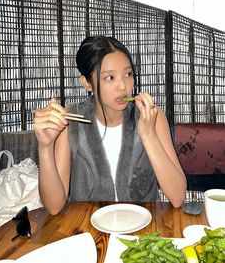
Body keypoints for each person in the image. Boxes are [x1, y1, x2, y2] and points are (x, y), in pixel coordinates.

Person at [34, 36, 187, 215]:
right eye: (110, 78)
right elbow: (54, 206)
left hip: (145, 232)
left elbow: (178, 197)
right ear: (87, 83)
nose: (123, 86)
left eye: (128, 74)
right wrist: (45, 147)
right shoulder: (70, 120)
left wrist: (149, 135)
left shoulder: (151, 116)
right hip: (88, 231)